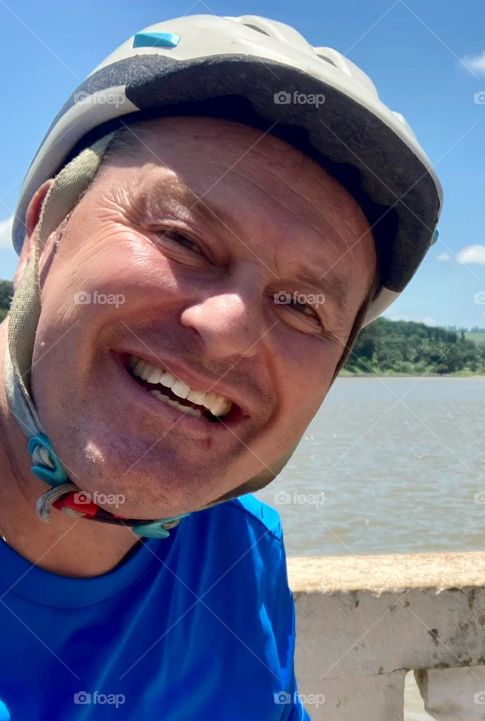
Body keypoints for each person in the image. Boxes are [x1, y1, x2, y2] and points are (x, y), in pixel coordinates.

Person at [0, 13, 441, 721]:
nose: (228, 332)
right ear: (44, 230)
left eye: (302, 306)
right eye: (182, 238)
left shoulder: (241, 550)